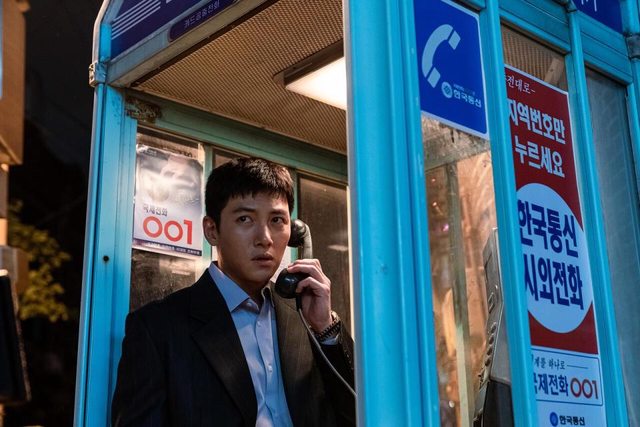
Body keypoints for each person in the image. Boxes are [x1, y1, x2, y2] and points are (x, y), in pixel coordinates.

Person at [112, 157, 355, 426]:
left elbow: (360, 412)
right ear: (212, 230)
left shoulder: (304, 316)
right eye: (245, 219)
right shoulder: (158, 327)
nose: (265, 238)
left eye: (277, 220)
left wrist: (325, 328)